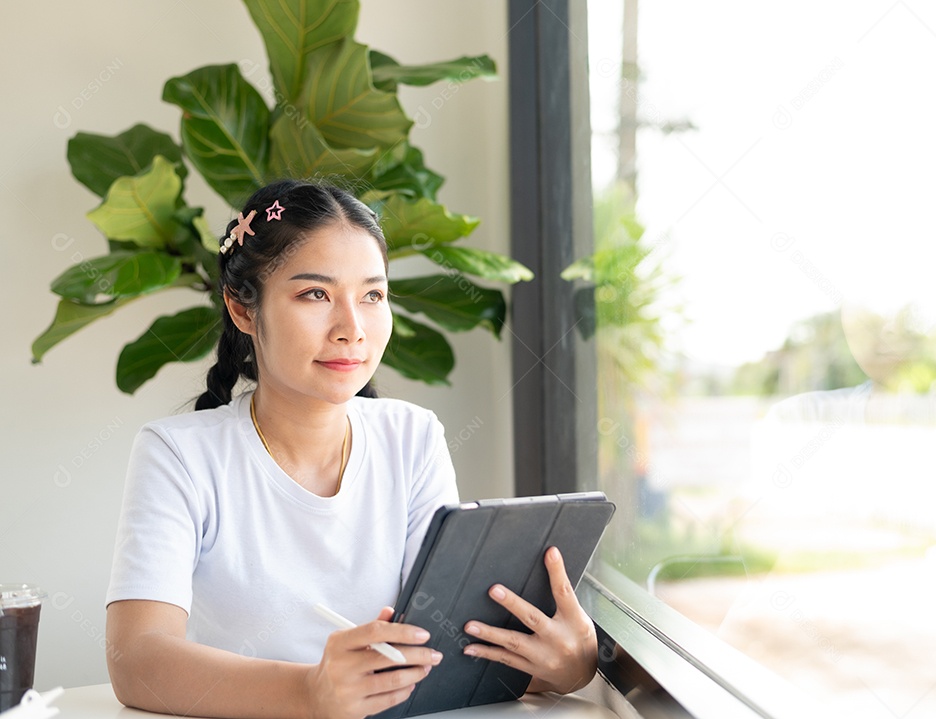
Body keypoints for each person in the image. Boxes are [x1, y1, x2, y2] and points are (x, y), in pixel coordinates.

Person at [104, 180, 598, 719]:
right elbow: (137, 660)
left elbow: (444, 650)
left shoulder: (413, 438)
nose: (352, 329)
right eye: (315, 295)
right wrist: (310, 691)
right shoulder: (178, 454)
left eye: (372, 296)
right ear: (243, 310)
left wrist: (566, 665)